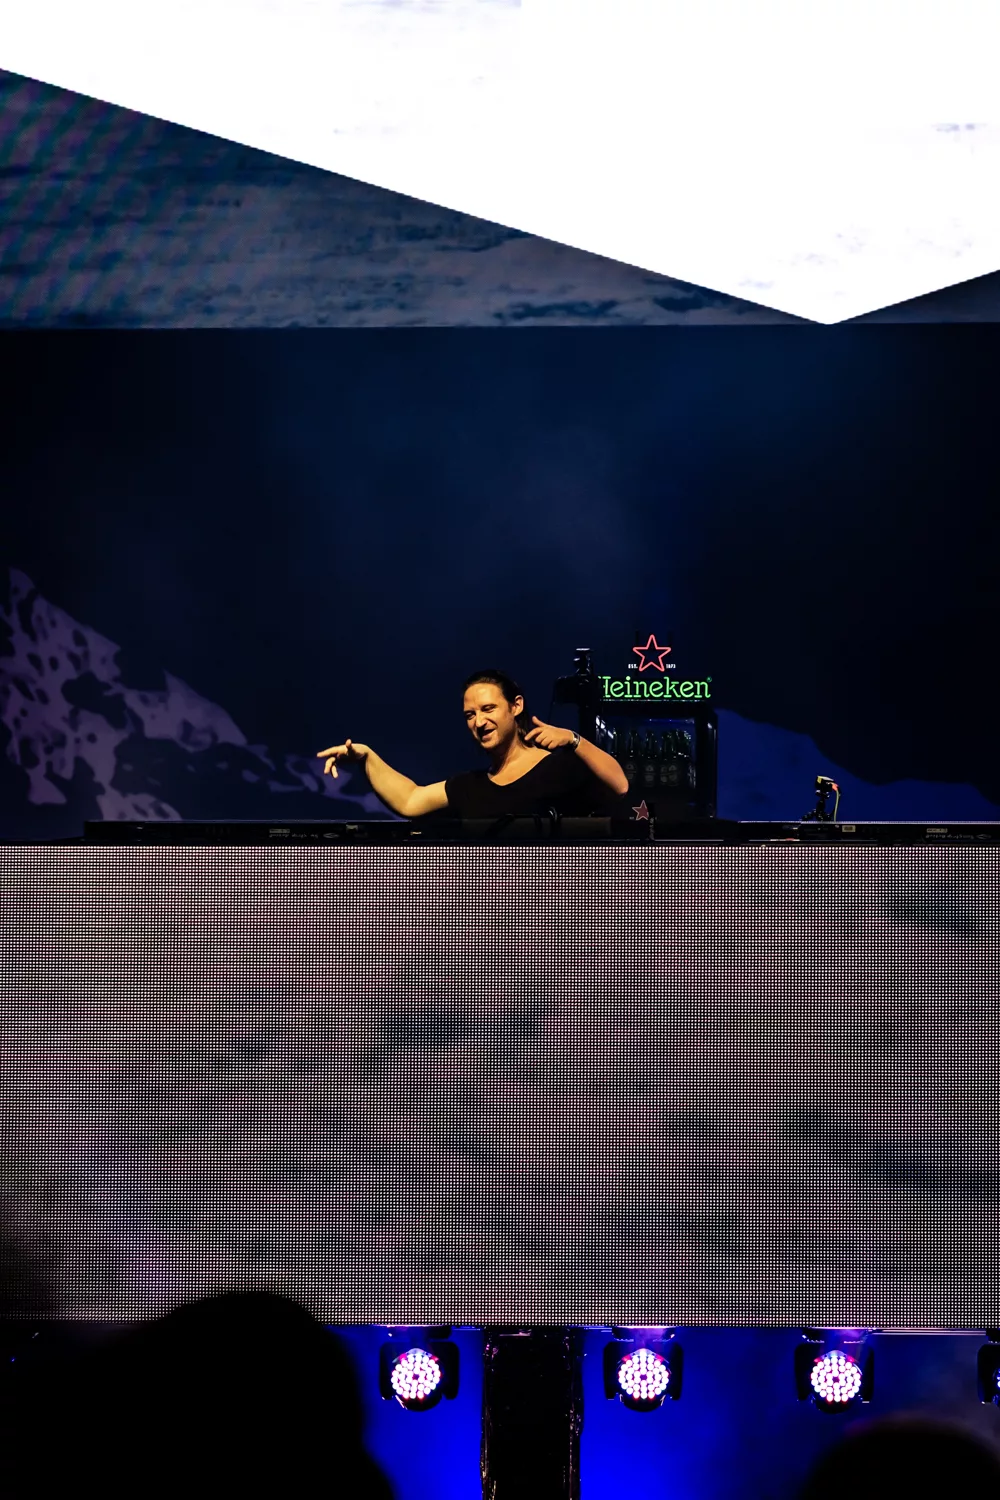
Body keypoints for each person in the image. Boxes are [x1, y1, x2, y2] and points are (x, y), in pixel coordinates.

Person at [317, 668, 629, 819]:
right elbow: (410, 800)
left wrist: (574, 740)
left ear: (516, 706)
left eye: (488, 709)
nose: (479, 722)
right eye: (470, 714)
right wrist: (366, 757)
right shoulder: (471, 787)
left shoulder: (557, 767)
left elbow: (620, 786)